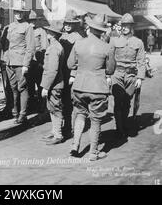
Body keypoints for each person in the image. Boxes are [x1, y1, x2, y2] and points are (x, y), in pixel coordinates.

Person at [68, 14, 115, 161]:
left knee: (80, 114)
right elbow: (110, 70)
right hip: (97, 88)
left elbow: (70, 65)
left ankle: (75, 146)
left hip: (79, 86)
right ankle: (93, 153)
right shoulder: (107, 47)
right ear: (102, 31)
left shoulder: (78, 44)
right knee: (95, 120)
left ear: (90, 27)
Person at [110, 13, 146, 138]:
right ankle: (119, 128)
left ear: (132, 27)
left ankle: (123, 123)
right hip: (117, 74)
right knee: (118, 100)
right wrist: (109, 76)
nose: (124, 27)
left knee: (126, 102)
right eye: (123, 25)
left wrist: (140, 78)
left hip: (131, 76)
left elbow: (141, 61)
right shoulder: (114, 41)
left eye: (127, 25)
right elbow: (110, 60)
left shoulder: (138, 42)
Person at [3, 0, 35, 124]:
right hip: (10, 62)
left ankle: (23, 114)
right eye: (16, 11)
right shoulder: (10, 26)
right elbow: (6, 44)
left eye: (21, 12)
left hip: (21, 62)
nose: (18, 14)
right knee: (13, 88)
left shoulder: (27, 27)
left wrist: (26, 64)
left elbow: (30, 48)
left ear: (24, 13)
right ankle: (14, 111)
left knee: (22, 87)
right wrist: (5, 60)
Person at [59, 9, 83, 139]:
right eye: (66, 22)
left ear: (75, 24)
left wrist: (74, 74)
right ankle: (65, 125)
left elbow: (79, 58)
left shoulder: (78, 38)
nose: (67, 25)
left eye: (70, 23)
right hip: (62, 72)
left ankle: (71, 127)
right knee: (63, 100)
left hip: (72, 73)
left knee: (71, 101)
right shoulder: (62, 36)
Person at [40, 21, 65, 145]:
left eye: (48, 31)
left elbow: (53, 70)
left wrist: (46, 87)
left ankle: (58, 134)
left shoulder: (55, 48)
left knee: (56, 109)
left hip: (54, 85)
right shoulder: (54, 46)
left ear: (53, 34)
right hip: (53, 84)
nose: (46, 33)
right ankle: (54, 131)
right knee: (52, 108)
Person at [27, 10, 48, 111]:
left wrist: (41, 62)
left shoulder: (41, 31)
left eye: (34, 20)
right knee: (29, 86)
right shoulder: (26, 31)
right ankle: (31, 106)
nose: (32, 22)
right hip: (28, 63)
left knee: (40, 85)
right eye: (30, 20)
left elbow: (45, 48)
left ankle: (42, 107)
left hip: (38, 62)